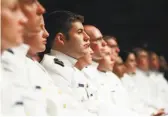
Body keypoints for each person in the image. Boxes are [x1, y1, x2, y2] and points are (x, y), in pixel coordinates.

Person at [41, 11, 98, 115]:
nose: (87, 37)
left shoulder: (71, 68)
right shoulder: (54, 68)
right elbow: (68, 112)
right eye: (80, 32)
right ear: (61, 39)